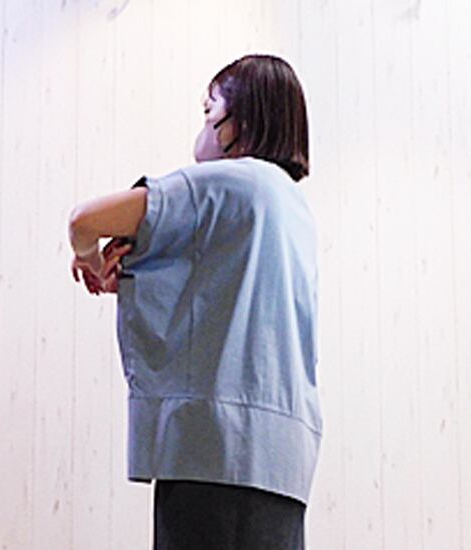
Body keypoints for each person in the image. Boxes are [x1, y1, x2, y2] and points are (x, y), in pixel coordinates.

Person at [68, 53, 322, 550]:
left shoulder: (231, 182)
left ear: (239, 122)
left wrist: (89, 259)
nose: (203, 126)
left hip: (216, 454)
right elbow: (219, 296)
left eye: (210, 111)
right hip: (283, 461)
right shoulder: (291, 208)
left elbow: (85, 220)